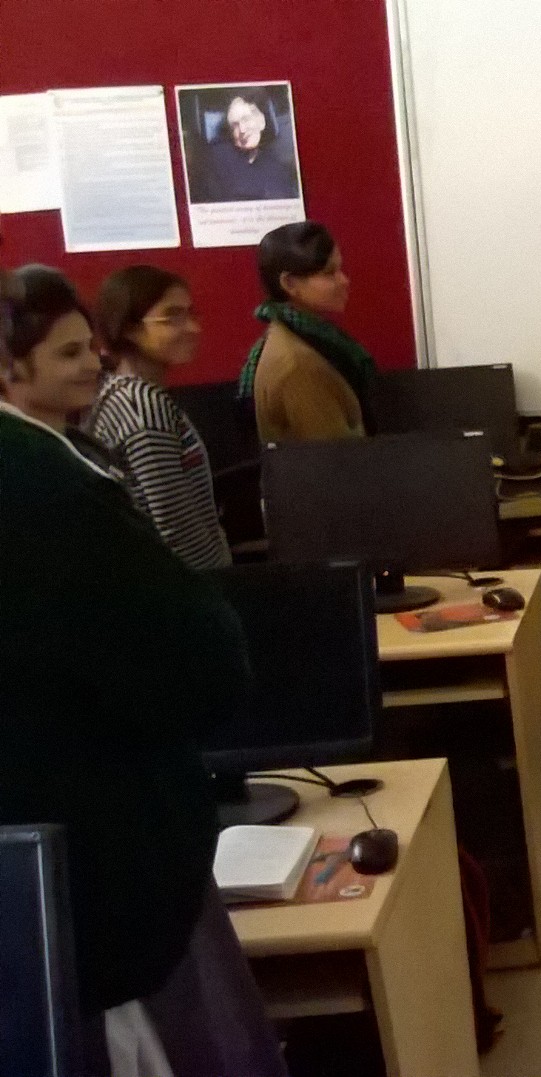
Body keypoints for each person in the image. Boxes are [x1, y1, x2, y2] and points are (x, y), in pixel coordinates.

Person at [0, 266, 288, 1077]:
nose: (89, 362)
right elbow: (198, 663)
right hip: (100, 874)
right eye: (65, 353)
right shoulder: (46, 483)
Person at [85, 265, 234, 569]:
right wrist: (217, 586)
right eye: (172, 317)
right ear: (129, 328)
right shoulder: (142, 406)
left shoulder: (122, 392)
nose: (192, 328)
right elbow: (176, 527)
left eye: (191, 314)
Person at [239, 220, 376, 441]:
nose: (344, 281)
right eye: (329, 273)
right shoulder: (298, 365)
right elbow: (335, 457)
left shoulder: (295, 337)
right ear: (289, 283)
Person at [192, 90, 301, 203]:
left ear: (262, 121)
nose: (242, 130)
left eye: (246, 119)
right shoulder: (217, 158)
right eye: (234, 125)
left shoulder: (278, 167)